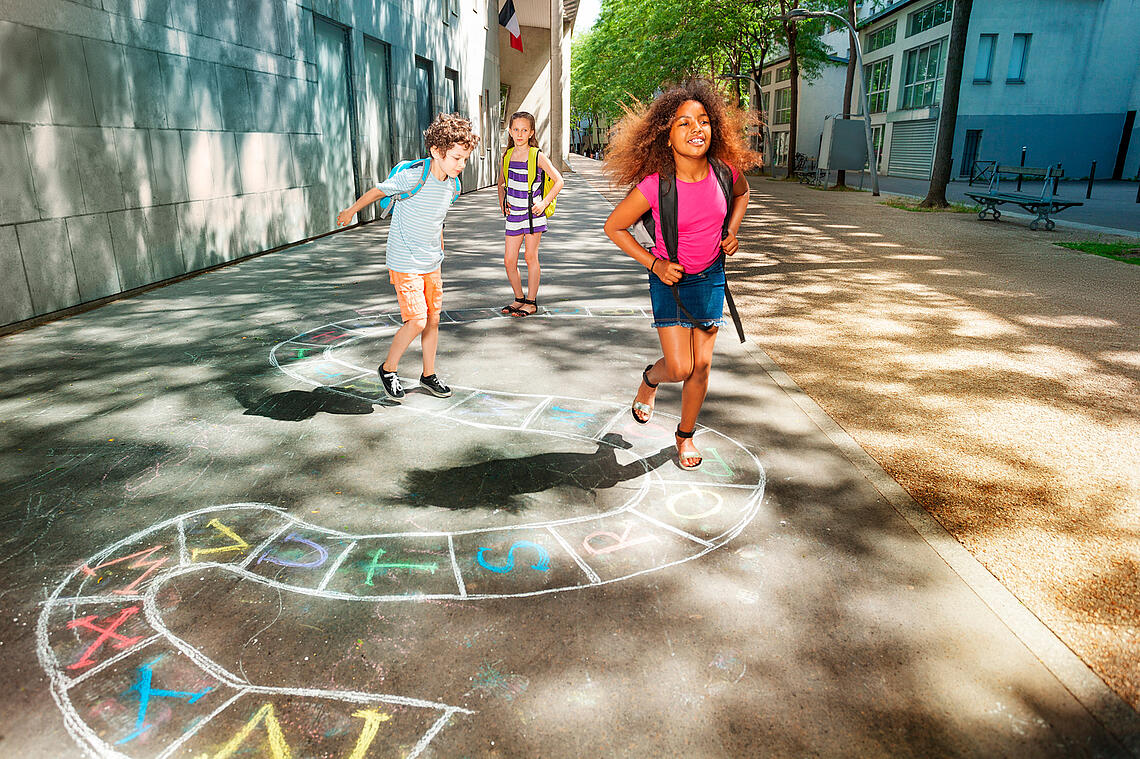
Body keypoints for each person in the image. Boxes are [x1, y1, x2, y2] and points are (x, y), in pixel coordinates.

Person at [601, 80, 756, 469]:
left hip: (709, 278)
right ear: (666, 137)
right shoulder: (655, 186)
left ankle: (684, 436)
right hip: (668, 279)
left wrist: (732, 231)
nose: (696, 129)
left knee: (701, 366)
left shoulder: (724, 173)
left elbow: (743, 193)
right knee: (680, 366)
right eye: (684, 123)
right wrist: (654, 263)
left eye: (703, 121)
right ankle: (651, 380)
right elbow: (614, 227)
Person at [336, 113, 479, 401]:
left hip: (431, 261)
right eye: (455, 158)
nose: (461, 164)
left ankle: (428, 374)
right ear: (436, 151)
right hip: (404, 260)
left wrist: (440, 248)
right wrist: (352, 211)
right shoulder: (415, 175)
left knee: (433, 319)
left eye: (465, 159)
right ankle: (389, 368)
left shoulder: (453, 185)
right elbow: (378, 191)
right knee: (417, 320)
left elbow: (437, 219)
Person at [497, 111, 564, 317]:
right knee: (509, 260)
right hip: (514, 214)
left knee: (530, 256)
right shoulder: (507, 156)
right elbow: (501, 183)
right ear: (509, 131)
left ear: (531, 132)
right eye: (516, 129)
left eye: (524, 130)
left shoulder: (537, 155)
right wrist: (503, 204)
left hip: (533, 214)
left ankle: (531, 301)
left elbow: (559, 181)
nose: (519, 133)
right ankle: (518, 298)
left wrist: (543, 203)